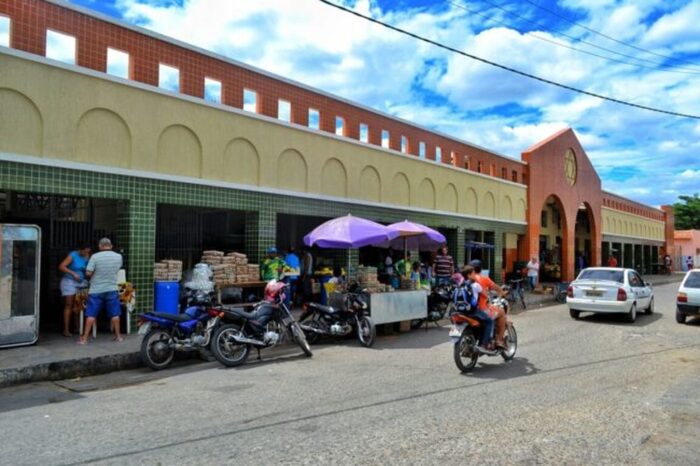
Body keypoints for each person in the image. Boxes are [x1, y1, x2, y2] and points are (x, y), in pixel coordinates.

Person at [78, 238, 123, 344]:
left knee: (91, 314)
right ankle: (118, 336)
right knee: (115, 314)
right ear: (110, 246)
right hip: (112, 288)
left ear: (100, 246)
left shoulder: (95, 256)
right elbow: (117, 268)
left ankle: (84, 339)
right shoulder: (118, 256)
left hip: (96, 289)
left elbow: (88, 273)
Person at [470, 259, 507, 349]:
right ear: (481, 269)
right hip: (482, 309)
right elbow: (496, 287)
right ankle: (498, 340)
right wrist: (502, 292)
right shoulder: (484, 279)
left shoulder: (468, 279)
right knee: (501, 312)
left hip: (469, 309)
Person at [58, 242, 92, 337]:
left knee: (80, 304)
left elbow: (87, 269)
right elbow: (61, 266)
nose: (86, 254)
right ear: (80, 250)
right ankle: (66, 329)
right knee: (69, 304)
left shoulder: (87, 256)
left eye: (87, 252)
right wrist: (73, 273)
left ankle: (78, 327)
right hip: (69, 281)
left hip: (81, 282)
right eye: (84, 252)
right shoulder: (73, 255)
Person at [461, 265, 494, 351]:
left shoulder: (461, 284)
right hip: (473, 311)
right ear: (468, 275)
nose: (474, 275)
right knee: (489, 321)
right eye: (473, 273)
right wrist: (490, 295)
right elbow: (485, 295)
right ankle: (484, 345)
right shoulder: (475, 285)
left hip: (462, 311)